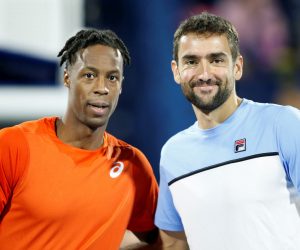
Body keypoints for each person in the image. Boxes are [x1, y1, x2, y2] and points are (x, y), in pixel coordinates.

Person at [0, 29, 159, 249]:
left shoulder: (132, 166)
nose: (101, 88)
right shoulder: (13, 145)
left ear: (121, 85)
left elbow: (162, 240)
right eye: (89, 75)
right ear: (67, 77)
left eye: (112, 78)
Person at [154, 12, 300, 249]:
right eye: (191, 61)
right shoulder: (172, 154)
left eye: (216, 60)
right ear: (176, 71)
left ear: (237, 66)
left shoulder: (283, 124)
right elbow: (173, 243)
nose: (204, 73)